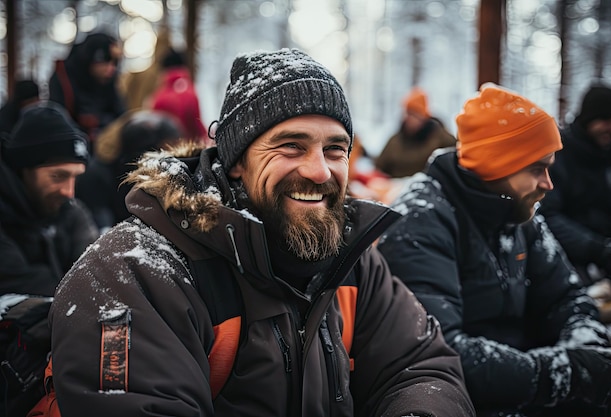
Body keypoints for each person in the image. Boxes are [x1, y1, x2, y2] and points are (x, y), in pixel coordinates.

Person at [47, 48, 475, 416]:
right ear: (235, 161)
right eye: (291, 146)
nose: (319, 170)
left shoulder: (352, 258)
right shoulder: (135, 272)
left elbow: (421, 368)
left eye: (335, 149)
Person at [377, 83, 611, 417]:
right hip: (460, 399)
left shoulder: (518, 212)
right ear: (498, 166)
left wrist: (585, 349)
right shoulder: (422, 220)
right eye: (537, 169)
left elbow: (566, 297)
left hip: (520, 378)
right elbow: (438, 351)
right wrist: (560, 373)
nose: (548, 184)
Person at [0, 101, 98, 297]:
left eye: (75, 178)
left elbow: (97, 273)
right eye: (58, 176)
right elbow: (20, 284)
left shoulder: (69, 211)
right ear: (24, 169)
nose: (69, 192)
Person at [538, 84, 611, 297]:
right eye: (606, 120)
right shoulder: (558, 156)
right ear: (588, 120)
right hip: (567, 259)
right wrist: (597, 249)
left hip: (610, 262)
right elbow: (547, 214)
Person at [75, 109, 184, 232]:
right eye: (165, 148)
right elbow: (100, 222)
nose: (170, 156)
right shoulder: (98, 174)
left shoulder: (147, 170)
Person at [48, 32, 125, 150]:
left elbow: (120, 115)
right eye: (106, 61)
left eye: (114, 63)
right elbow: (58, 122)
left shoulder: (109, 82)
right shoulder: (64, 77)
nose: (111, 69)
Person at [374, 86, 456, 178]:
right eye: (406, 113)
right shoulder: (395, 141)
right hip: (394, 189)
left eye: (413, 114)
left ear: (422, 117)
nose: (407, 118)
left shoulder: (440, 138)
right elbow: (379, 167)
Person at [148, 47, 208, 145]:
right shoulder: (190, 91)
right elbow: (196, 125)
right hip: (189, 150)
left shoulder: (159, 96)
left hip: (165, 151)